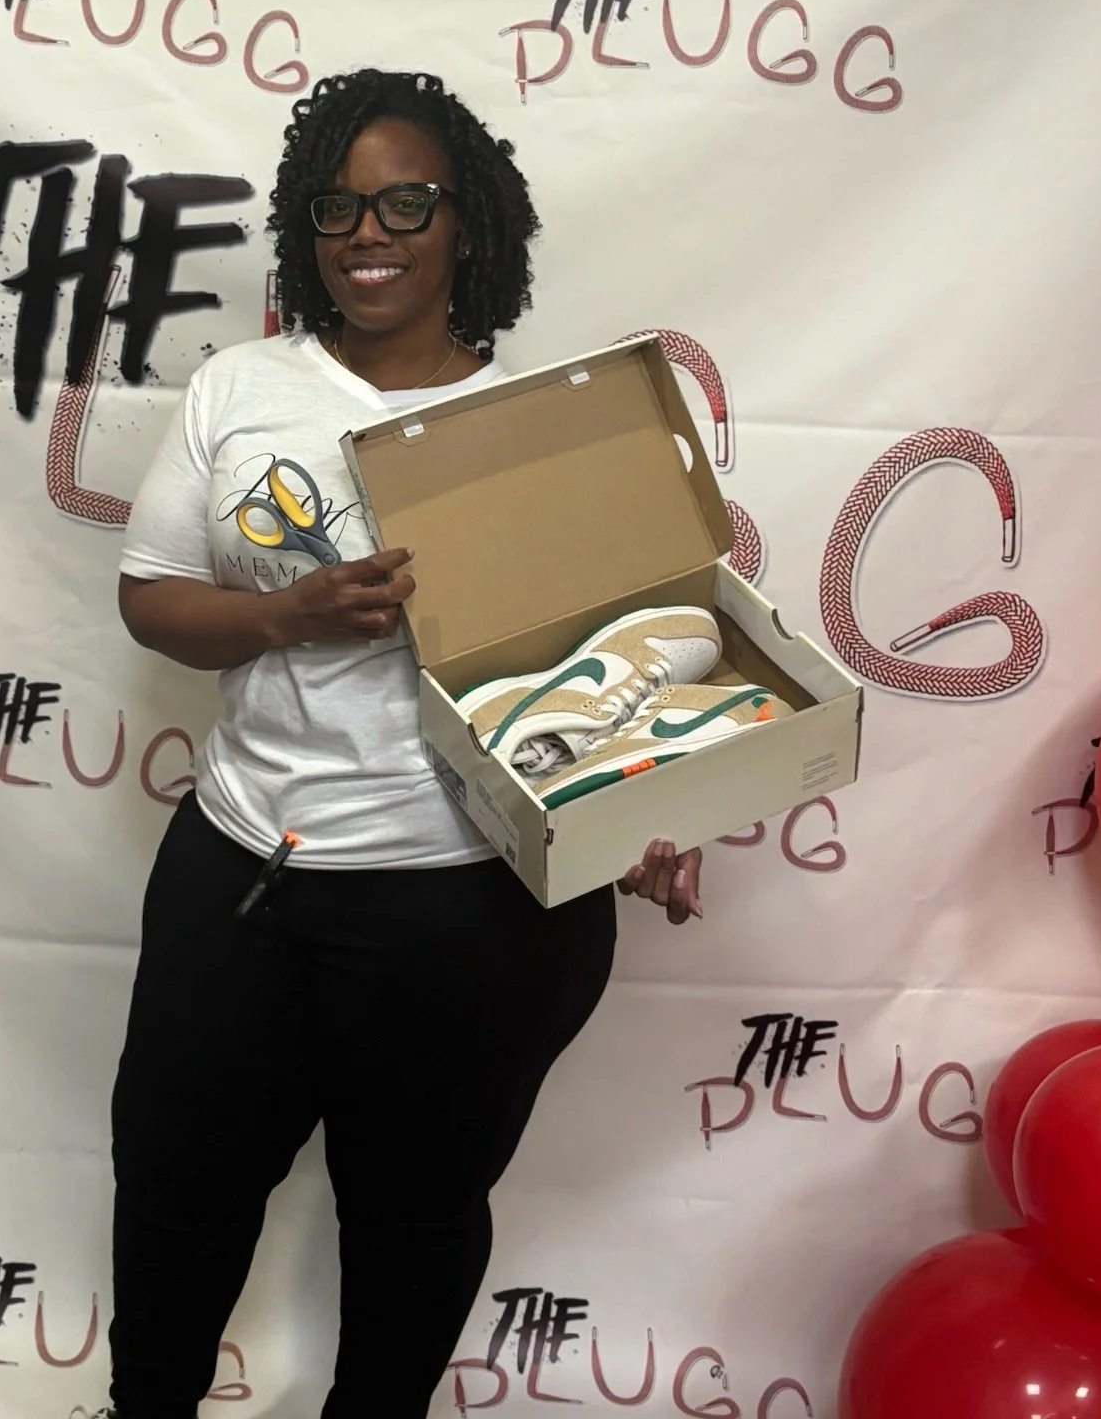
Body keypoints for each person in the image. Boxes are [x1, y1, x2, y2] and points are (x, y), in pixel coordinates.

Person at [109, 68, 704, 1419]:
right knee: (174, 1193)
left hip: (469, 908)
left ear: (469, 227)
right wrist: (287, 617)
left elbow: (634, 666)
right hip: (242, 877)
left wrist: (641, 824)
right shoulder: (244, 387)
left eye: (406, 204)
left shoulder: (556, 424)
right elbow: (153, 602)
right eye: (339, 208)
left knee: (416, 1221)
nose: (368, 234)